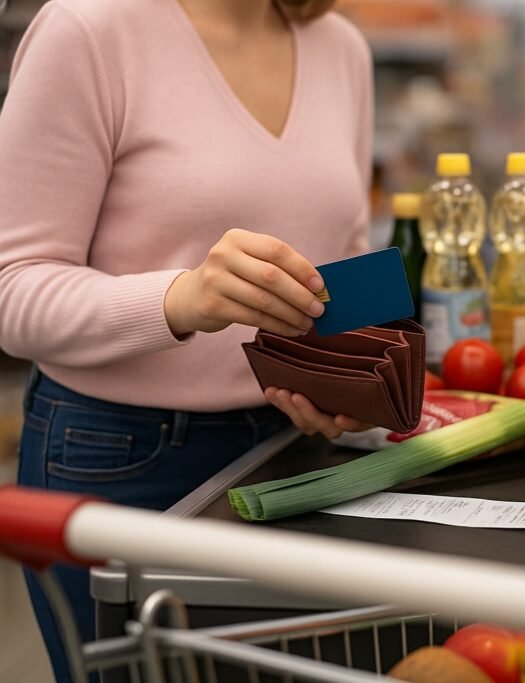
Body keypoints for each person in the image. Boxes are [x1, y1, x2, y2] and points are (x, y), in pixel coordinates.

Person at [0, 0, 374, 678]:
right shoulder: (89, 29)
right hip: (123, 461)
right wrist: (183, 298)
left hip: (294, 453)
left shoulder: (340, 46)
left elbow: (344, 255)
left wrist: (348, 378)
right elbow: (12, 288)